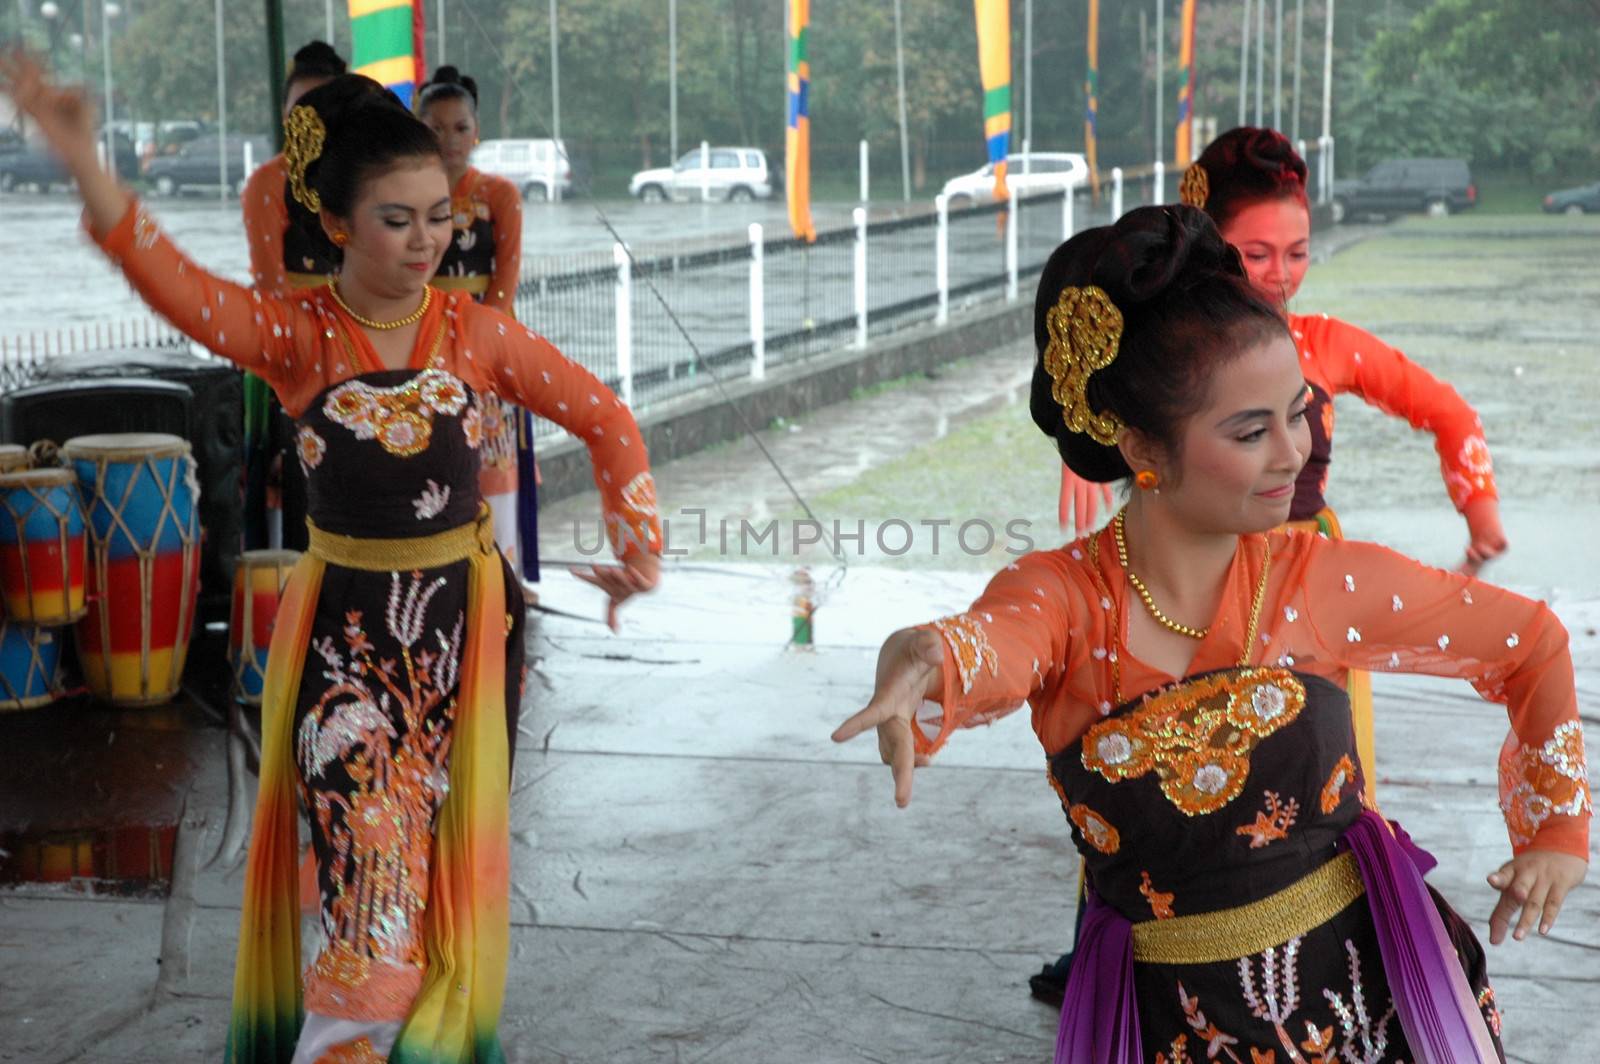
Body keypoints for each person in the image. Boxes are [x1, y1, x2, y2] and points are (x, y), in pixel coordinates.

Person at [2, 54, 663, 1063]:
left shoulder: (474, 334)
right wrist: (84, 160)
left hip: (463, 638)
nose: (428, 239)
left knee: (432, 875)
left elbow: (607, 420)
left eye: (439, 215)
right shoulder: (295, 335)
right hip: (343, 645)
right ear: (340, 224)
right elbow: (164, 276)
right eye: (398, 218)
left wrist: (638, 545)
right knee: (369, 871)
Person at [833, 205, 1587, 1062]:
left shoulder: (1320, 578)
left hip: (1363, 1004)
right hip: (1164, 1021)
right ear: (1142, 444)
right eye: (1249, 431)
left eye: (1298, 413)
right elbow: (982, 642)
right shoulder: (1067, 599)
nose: (1292, 453)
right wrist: (917, 661)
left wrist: (1557, 834)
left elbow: (1529, 642)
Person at [1032, 128, 1512, 1005]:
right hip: (1186, 577)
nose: (1282, 274)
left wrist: (1478, 507)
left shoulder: (1326, 344)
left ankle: (1331, 947)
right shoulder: (1160, 387)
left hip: (1299, 583)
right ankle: (1115, 956)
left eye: (1298, 251)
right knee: (1139, 782)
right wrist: (1100, 430)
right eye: (1257, 253)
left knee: (1312, 790)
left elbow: (1449, 410)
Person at [415, 65, 537, 586]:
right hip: (416, 341)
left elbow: (505, 279)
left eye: (459, 127)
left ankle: (500, 577)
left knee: (492, 459)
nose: (448, 140)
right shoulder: (407, 194)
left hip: (485, 344)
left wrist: (478, 339)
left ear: (476, 131)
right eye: (435, 128)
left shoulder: (499, 194)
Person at [240, 40, 349, 553]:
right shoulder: (267, 184)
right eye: (297, 109)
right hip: (293, 349)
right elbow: (270, 286)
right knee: (298, 490)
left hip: (361, 342)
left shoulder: (359, 176)